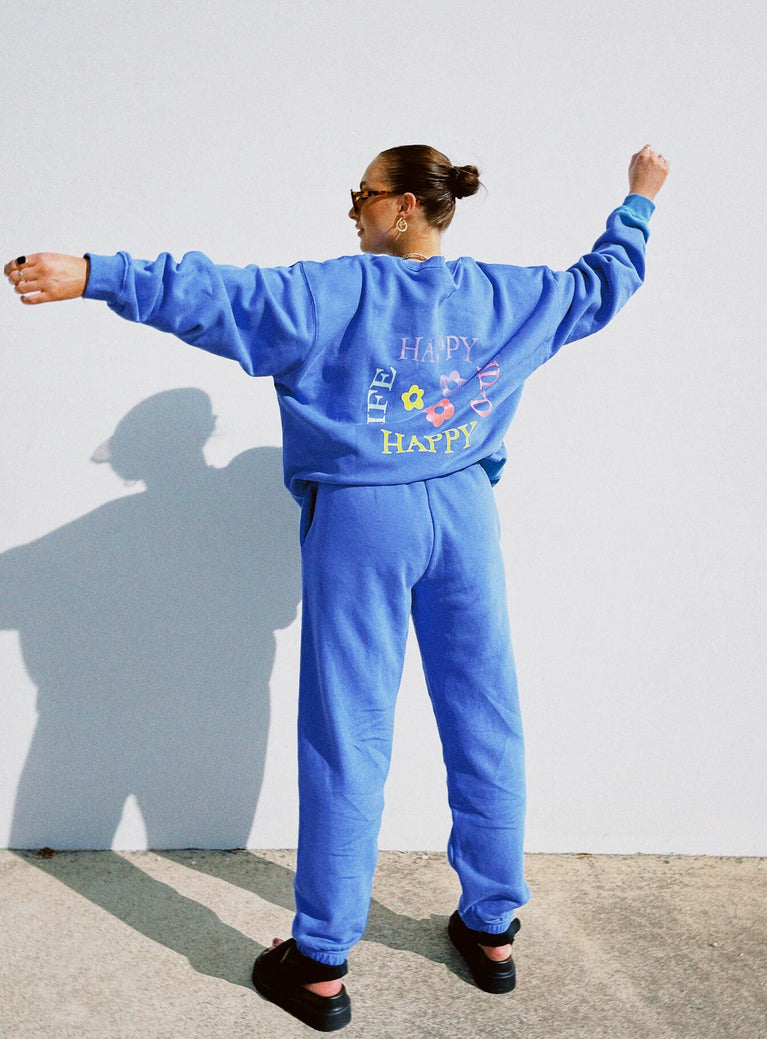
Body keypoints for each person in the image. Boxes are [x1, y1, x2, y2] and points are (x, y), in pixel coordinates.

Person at [5, 142, 669, 1033]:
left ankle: (319, 961)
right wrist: (638, 201)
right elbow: (601, 284)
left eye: (363, 195)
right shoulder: (503, 296)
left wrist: (93, 274)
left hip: (364, 516)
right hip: (463, 514)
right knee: (485, 715)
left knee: (348, 730)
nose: (352, 210)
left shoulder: (330, 294)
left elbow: (213, 294)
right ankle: (491, 928)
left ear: (403, 207)